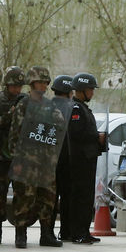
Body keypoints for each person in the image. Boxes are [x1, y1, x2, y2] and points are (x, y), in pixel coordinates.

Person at [7, 66, 65, 249]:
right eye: (39, 82)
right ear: (31, 84)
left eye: (45, 83)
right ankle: (20, 234)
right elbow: (14, 134)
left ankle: (46, 234)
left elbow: (59, 127)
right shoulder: (23, 105)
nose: (42, 86)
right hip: (26, 162)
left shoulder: (50, 105)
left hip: (46, 162)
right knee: (24, 198)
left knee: (47, 199)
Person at [0, 66, 26, 244]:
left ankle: (20, 233)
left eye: (19, 86)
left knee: (21, 194)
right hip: (0, 155)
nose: (16, 90)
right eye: (13, 86)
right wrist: (12, 114)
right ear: (6, 85)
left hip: (19, 155)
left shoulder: (26, 100)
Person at [68, 72, 107, 244]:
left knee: (86, 197)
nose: (92, 93)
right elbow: (76, 133)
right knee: (80, 198)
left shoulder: (83, 108)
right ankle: (78, 232)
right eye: (90, 89)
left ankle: (84, 230)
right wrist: (96, 137)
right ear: (82, 90)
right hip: (80, 161)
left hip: (88, 159)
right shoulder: (75, 108)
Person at [50, 75, 74, 241]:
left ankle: (48, 231)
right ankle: (65, 231)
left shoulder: (47, 106)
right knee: (67, 197)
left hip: (49, 160)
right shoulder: (72, 107)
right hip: (66, 159)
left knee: (50, 198)